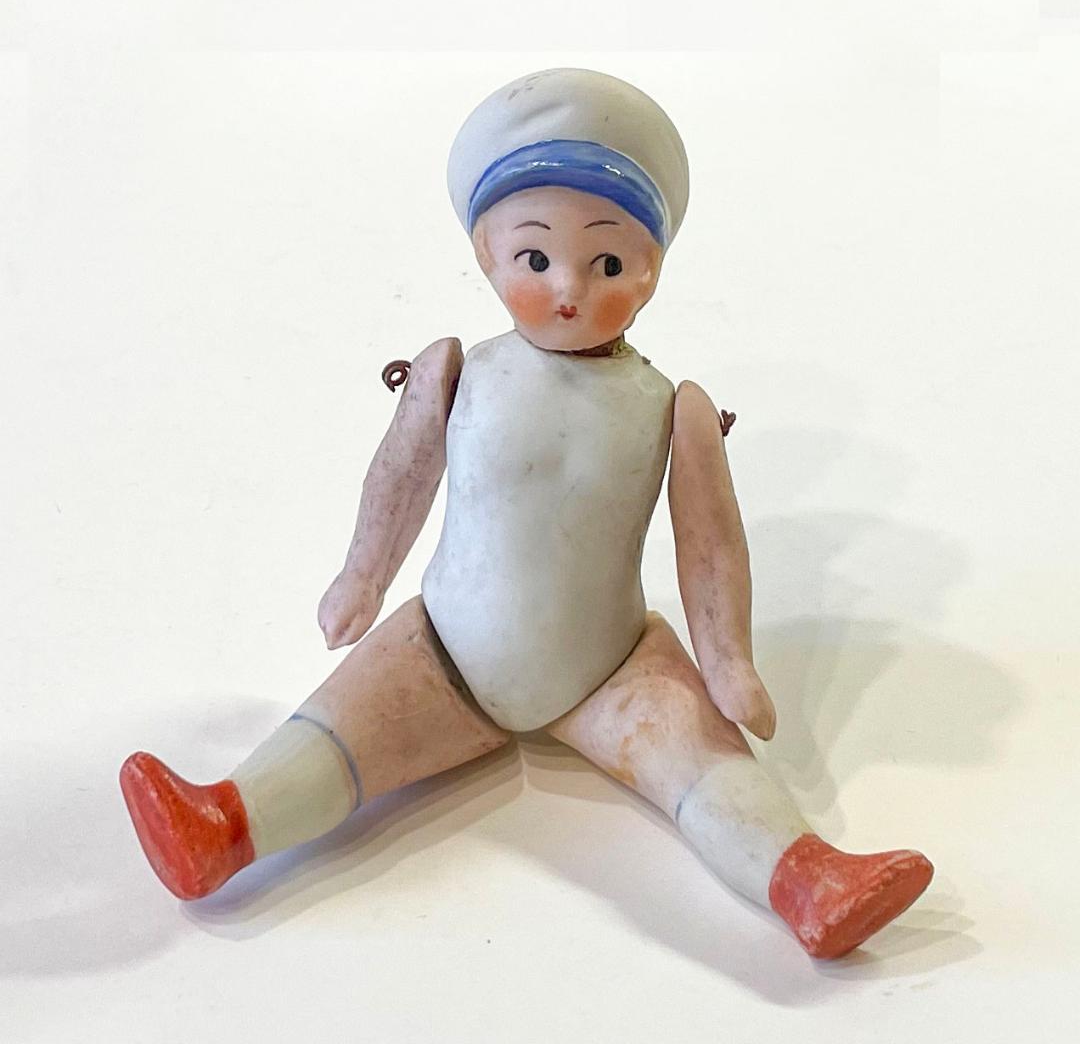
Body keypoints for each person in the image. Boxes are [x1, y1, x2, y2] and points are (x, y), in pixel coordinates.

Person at [120, 68, 932, 959]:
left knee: (704, 760)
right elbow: (400, 476)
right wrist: (361, 577)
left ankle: (809, 880)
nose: (569, 287)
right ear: (486, 255)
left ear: (652, 270)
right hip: (445, 649)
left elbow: (710, 545)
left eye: (608, 263)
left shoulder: (671, 406)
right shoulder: (458, 372)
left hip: (611, 666)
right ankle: (222, 826)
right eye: (535, 259)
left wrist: (727, 662)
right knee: (342, 724)